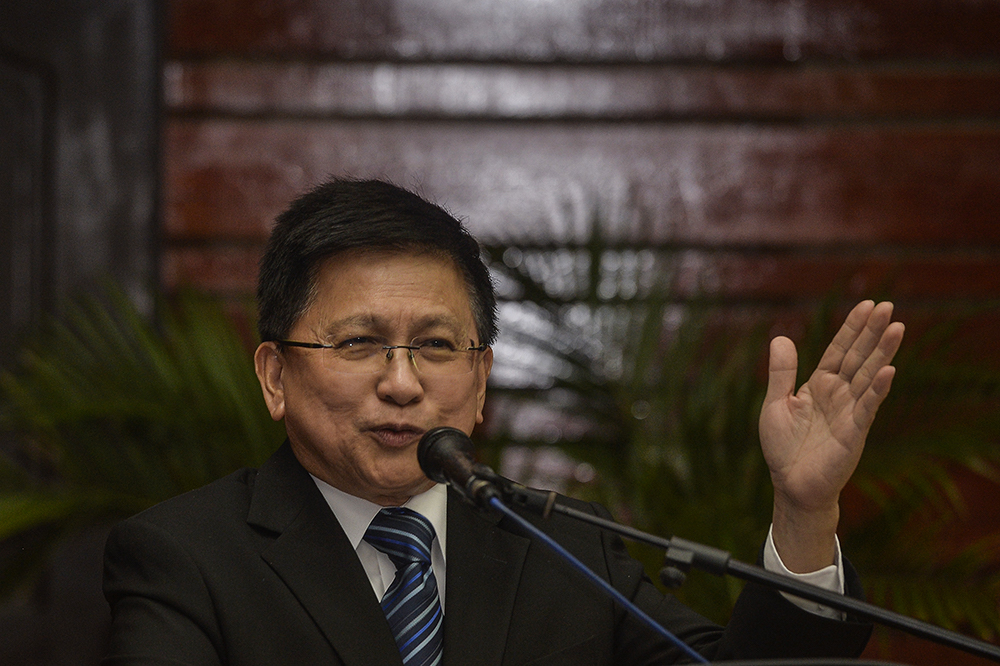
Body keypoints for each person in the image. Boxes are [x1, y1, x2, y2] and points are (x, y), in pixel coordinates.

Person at [103, 178, 904, 665]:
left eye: (436, 346)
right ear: (276, 376)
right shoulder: (185, 559)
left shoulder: (562, 546)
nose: (402, 384)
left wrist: (804, 511)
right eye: (358, 344)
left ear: (481, 381)